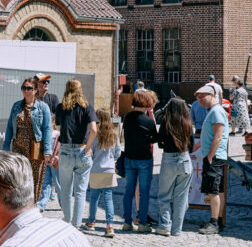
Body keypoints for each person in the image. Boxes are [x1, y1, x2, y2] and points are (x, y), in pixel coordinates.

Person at [54, 78, 98, 227]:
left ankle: (67, 219)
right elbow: (94, 130)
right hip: (81, 150)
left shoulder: (61, 107)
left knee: (66, 190)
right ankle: (76, 223)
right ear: (80, 89)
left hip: (66, 150)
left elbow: (58, 127)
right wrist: (88, 147)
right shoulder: (87, 107)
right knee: (80, 192)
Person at [2, 77, 53, 204]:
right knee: (18, 179)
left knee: (35, 180)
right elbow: (9, 127)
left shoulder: (43, 107)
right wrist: (6, 147)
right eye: (23, 88)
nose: (26, 91)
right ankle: (19, 206)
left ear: (35, 90)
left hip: (36, 149)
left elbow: (47, 129)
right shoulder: (16, 106)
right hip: (18, 148)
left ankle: (32, 205)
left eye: (29, 88)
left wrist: (47, 151)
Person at [155, 98, 194, 236]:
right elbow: (191, 145)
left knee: (164, 195)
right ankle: (177, 229)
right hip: (185, 160)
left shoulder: (166, 122)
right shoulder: (188, 123)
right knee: (181, 198)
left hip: (169, 160)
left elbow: (159, 143)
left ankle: (165, 225)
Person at [120, 89, 157, 232]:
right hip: (144, 159)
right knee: (144, 192)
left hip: (129, 158)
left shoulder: (127, 117)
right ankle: (142, 223)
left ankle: (127, 222)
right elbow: (155, 138)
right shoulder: (148, 121)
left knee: (128, 191)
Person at [194, 83, 228, 235]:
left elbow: (218, 136)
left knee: (213, 191)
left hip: (214, 157)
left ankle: (214, 223)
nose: (199, 99)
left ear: (212, 96)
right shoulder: (213, 111)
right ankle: (218, 220)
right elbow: (210, 134)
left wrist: (210, 156)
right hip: (214, 156)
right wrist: (199, 144)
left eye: (202, 96)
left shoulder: (216, 112)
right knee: (218, 190)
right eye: (198, 97)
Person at [83, 108, 120, 237]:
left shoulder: (94, 134)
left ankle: (91, 222)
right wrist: (111, 159)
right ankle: (109, 226)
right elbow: (118, 152)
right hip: (109, 170)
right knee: (108, 198)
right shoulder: (114, 134)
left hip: (95, 169)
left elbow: (90, 151)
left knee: (94, 198)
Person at [33, 74, 61, 211]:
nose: (46, 83)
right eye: (43, 81)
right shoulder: (32, 98)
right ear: (36, 84)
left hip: (51, 137)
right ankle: (41, 202)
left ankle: (63, 203)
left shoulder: (53, 98)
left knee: (56, 175)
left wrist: (48, 118)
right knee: (43, 175)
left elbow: (59, 116)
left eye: (47, 81)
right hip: (38, 140)